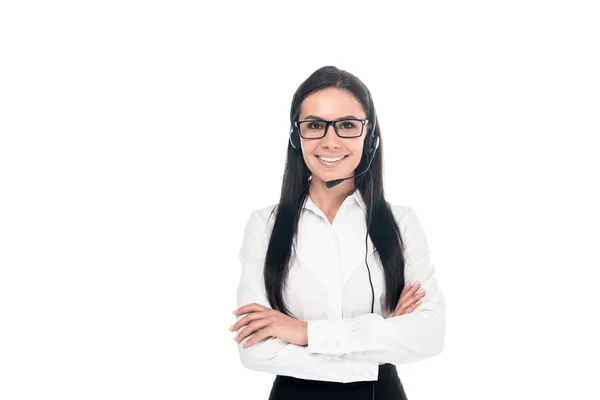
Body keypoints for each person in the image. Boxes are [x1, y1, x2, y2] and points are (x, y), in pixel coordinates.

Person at [229, 66, 446, 400]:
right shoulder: (265, 225)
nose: (331, 141)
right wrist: (382, 341)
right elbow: (255, 349)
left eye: (347, 125)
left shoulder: (402, 222)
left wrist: (302, 332)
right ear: (296, 135)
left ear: (368, 134)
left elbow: (429, 335)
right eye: (315, 126)